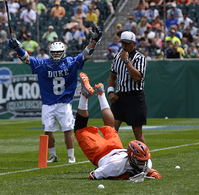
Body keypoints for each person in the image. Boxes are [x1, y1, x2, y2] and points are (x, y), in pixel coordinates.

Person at [8, 25, 102, 164]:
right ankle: (53, 156)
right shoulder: (43, 64)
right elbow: (26, 58)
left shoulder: (70, 62)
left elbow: (86, 54)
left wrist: (94, 41)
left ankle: (71, 156)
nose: (56, 54)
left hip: (64, 102)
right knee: (48, 131)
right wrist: (17, 48)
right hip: (48, 103)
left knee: (67, 129)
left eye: (59, 52)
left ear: (63, 52)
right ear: (50, 53)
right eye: (54, 52)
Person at [74, 72, 162, 180]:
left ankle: (101, 94)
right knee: (80, 130)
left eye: (143, 161)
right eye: (140, 161)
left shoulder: (146, 162)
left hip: (117, 148)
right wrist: (120, 176)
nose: (143, 164)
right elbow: (93, 175)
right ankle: (85, 95)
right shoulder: (116, 167)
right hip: (101, 152)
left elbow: (152, 172)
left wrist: (152, 172)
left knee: (110, 127)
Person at [107, 31, 148, 143]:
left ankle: (144, 159)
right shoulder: (116, 57)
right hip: (120, 97)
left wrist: (126, 61)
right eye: (122, 43)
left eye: (127, 43)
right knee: (111, 130)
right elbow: (112, 77)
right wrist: (110, 92)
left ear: (134, 44)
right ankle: (111, 157)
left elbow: (137, 77)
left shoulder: (140, 58)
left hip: (135, 97)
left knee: (137, 131)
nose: (124, 46)